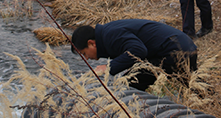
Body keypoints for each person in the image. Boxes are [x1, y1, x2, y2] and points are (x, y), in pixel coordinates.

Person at [70, 19, 198, 91]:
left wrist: (109, 67)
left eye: (84, 53)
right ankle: (213, 102)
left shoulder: (110, 36)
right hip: (183, 45)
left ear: (91, 43)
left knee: (128, 84)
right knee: (193, 85)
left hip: (175, 49)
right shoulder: (106, 34)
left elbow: (139, 50)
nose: (86, 58)